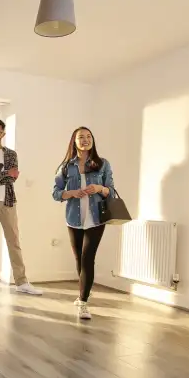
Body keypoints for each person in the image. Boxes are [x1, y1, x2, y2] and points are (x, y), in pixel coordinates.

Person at [52, 126, 115, 320]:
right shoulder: (65, 167)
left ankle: (83, 301)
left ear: (93, 140)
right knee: (79, 259)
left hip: (96, 218)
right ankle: (85, 288)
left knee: (88, 257)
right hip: (74, 218)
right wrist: (71, 193)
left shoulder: (102, 164)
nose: (86, 140)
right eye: (81, 137)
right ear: (74, 141)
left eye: (89, 137)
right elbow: (56, 193)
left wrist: (99, 188)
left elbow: (111, 191)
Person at [0, 119, 42, 295]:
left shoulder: (11, 155)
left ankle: (21, 282)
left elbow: (12, 178)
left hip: (7, 201)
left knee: (13, 242)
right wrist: (3, 174)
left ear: (3, 134)